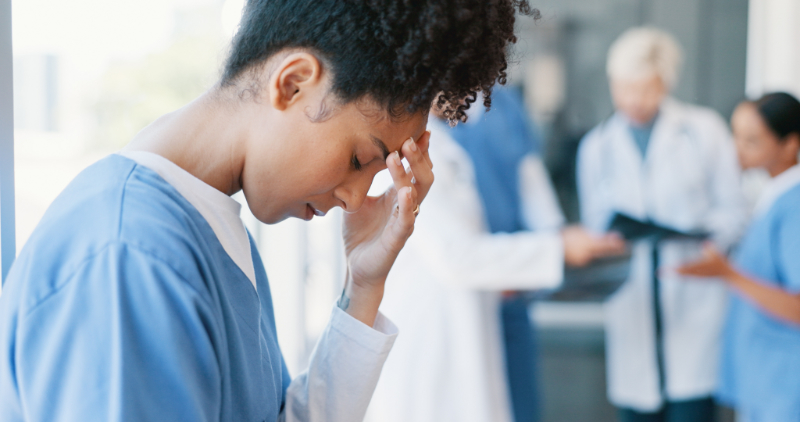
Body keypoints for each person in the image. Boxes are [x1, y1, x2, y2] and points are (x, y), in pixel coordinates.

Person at [0, 1, 536, 421]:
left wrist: (363, 285)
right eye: (358, 159)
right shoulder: (127, 254)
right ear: (293, 83)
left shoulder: (213, 229)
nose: (355, 197)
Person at [369, 87, 624, 422]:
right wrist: (558, 248)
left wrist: (557, 236)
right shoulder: (407, 150)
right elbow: (456, 257)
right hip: (436, 327)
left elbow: (530, 184)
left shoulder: (469, 128)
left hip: (498, 289)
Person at [577, 27, 748, 422]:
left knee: (691, 407)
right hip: (632, 300)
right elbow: (593, 227)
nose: (634, 100)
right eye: (624, 88)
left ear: (666, 84)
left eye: (646, 89)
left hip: (692, 293)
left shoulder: (704, 131)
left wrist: (709, 243)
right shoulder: (596, 147)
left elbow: (734, 213)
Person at [678, 92, 800, 422]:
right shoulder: (771, 198)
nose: (736, 149)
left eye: (751, 140)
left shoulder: (794, 207)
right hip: (766, 383)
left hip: (785, 388)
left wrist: (728, 274)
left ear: (789, 145)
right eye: (735, 135)